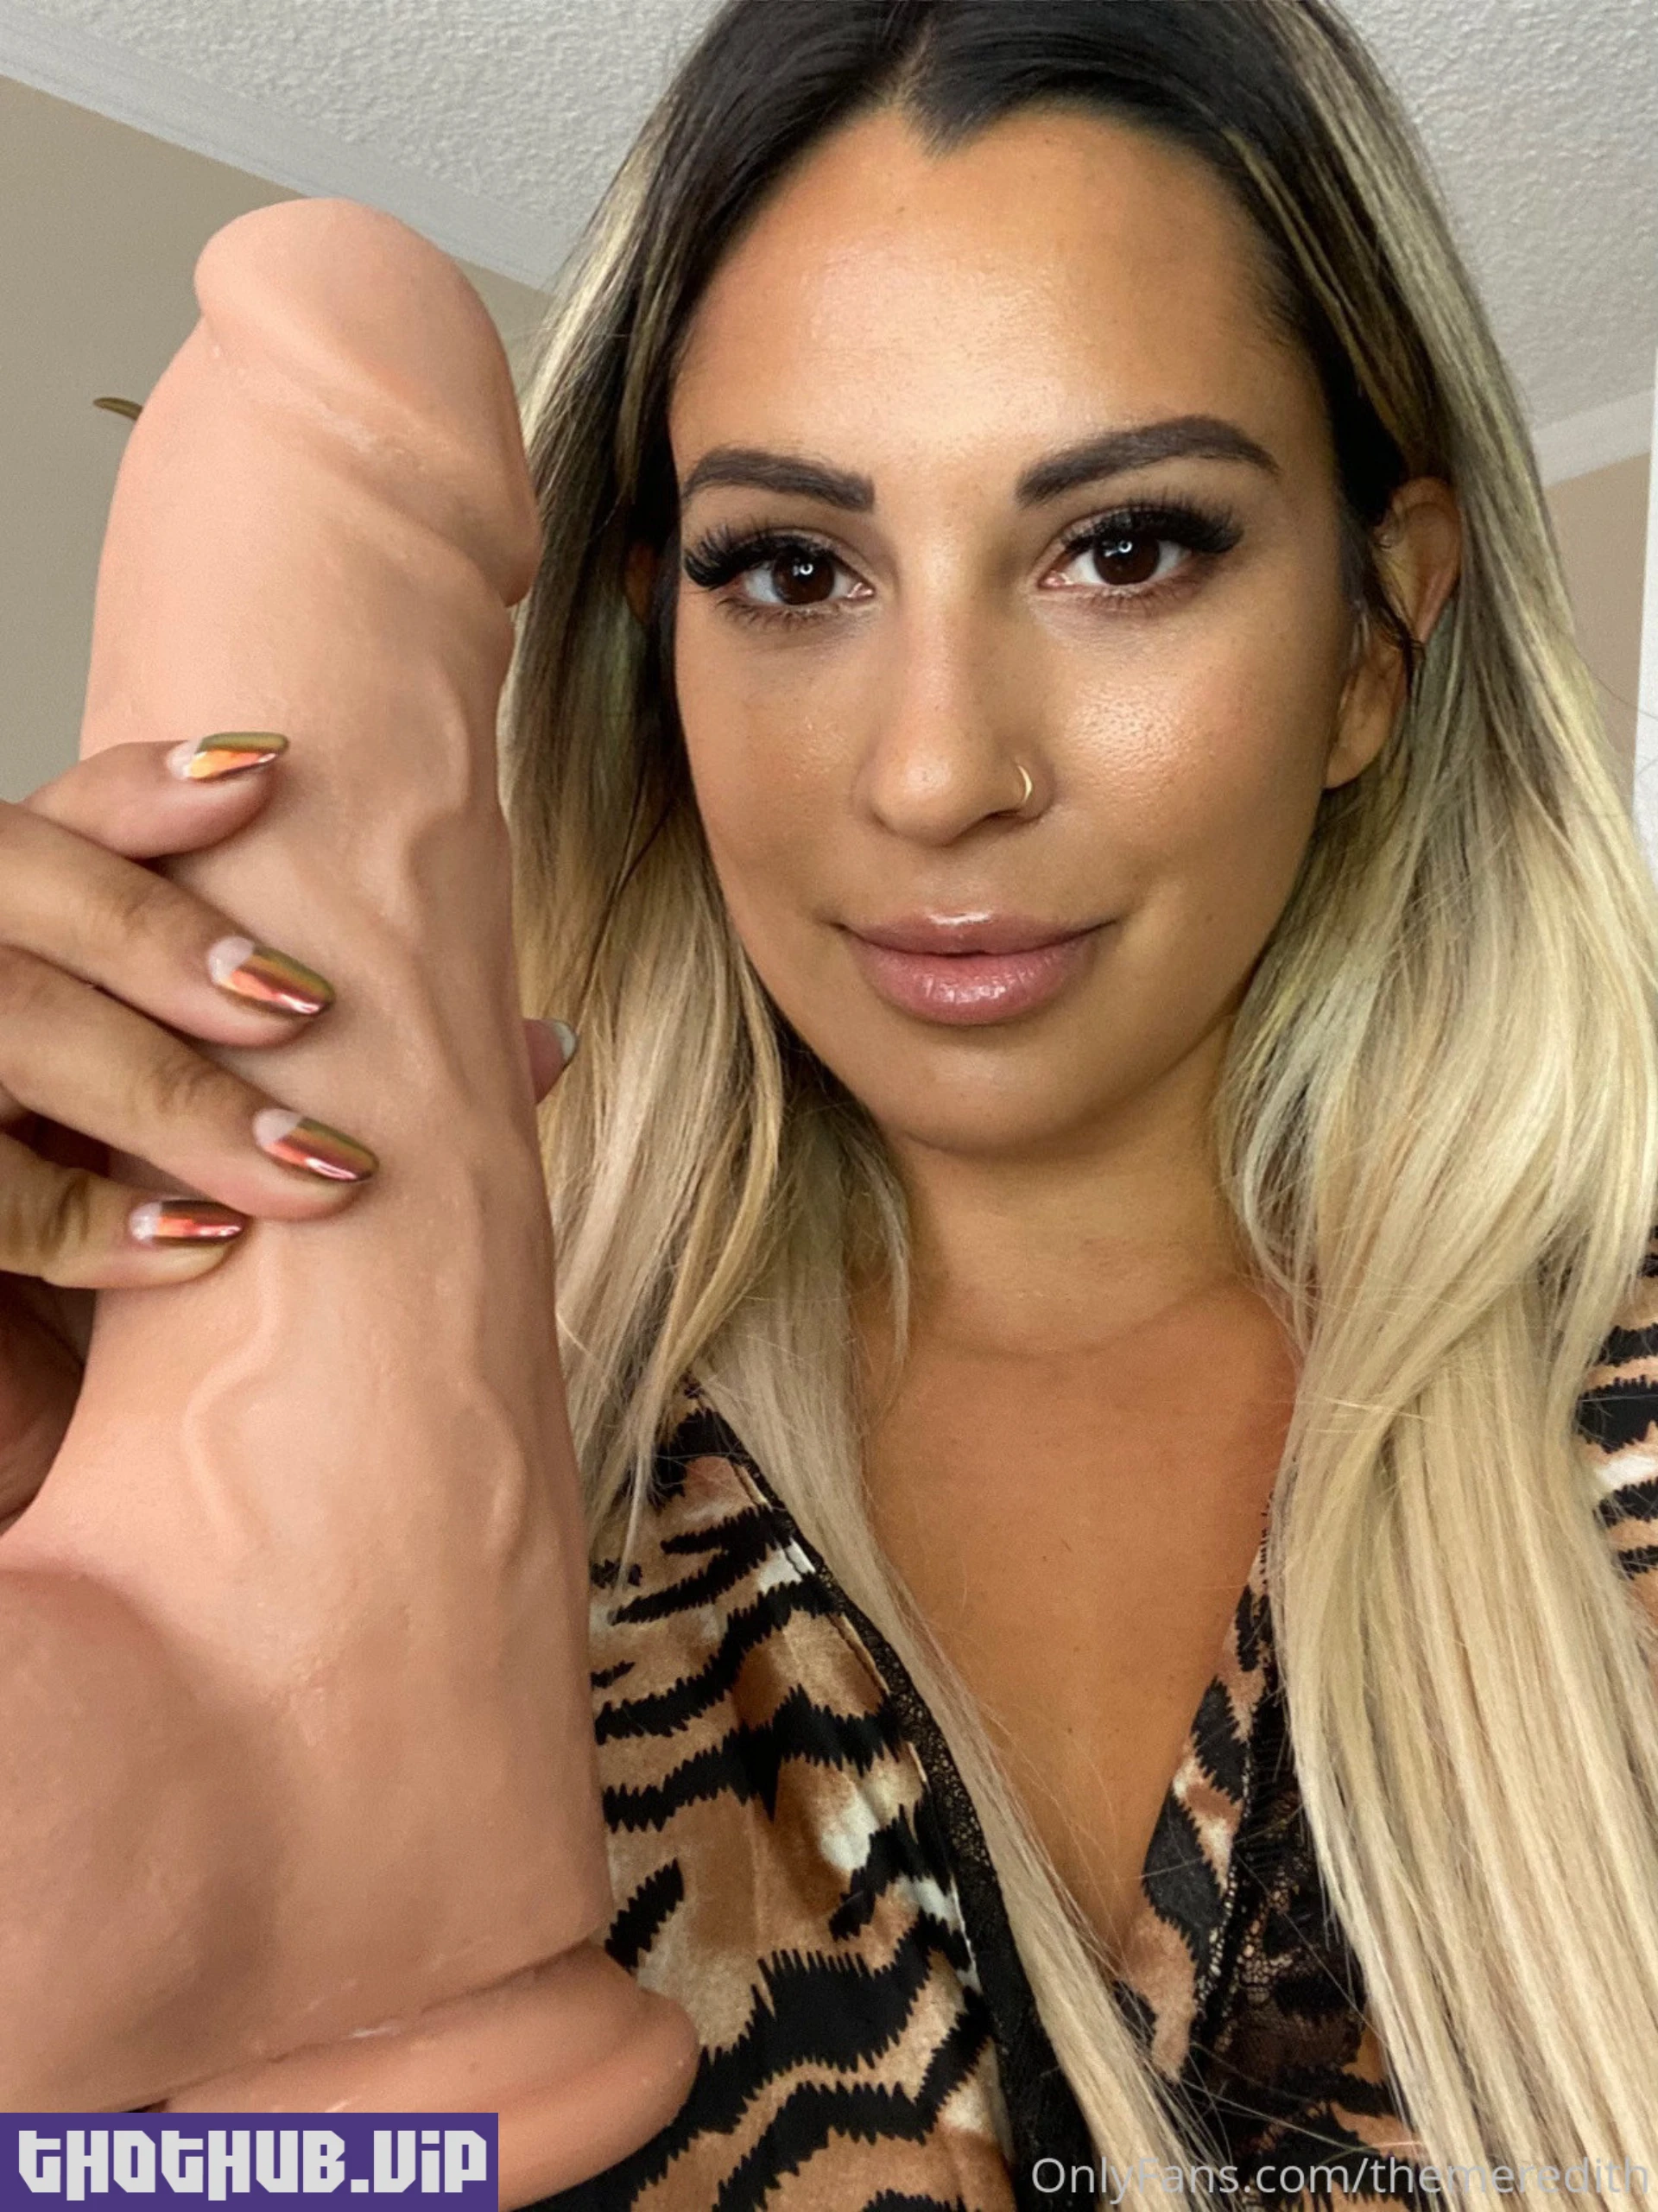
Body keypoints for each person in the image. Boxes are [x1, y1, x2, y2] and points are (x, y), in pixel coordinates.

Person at [3, 0, 1656, 2201]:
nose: (937, 770)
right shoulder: (455, 1489)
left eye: (1126, 547)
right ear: (657, 648)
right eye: (792, 568)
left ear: (1378, 635)